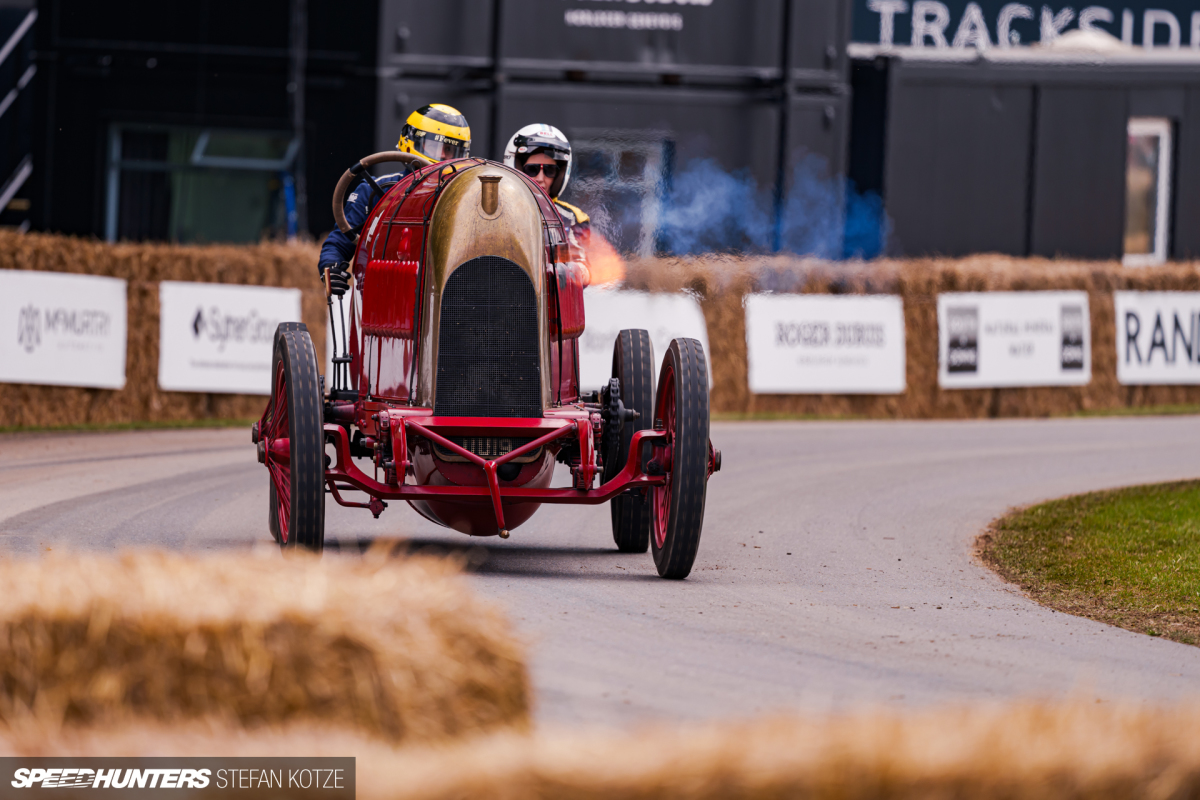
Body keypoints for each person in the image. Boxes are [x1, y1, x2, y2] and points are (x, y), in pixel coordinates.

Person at [319, 104, 471, 295]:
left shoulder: (467, 201)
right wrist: (330, 269)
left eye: (450, 150)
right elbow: (338, 244)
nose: (442, 156)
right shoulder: (375, 191)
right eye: (435, 146)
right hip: (381, 299)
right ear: (411, 142)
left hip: (444, 303)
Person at [502, 124, 591, 254]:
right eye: (532, 169)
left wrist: (572, 270)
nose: (540, 178)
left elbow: (587, 266)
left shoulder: (574, 218)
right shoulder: (496, 212)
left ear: (558, 176)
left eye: (550, 171)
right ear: (518, 169)